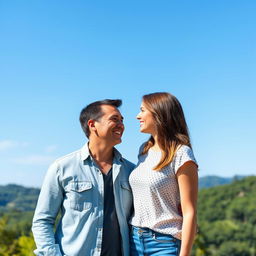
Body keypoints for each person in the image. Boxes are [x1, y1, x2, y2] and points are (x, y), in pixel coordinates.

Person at [32, 99, 135, 256]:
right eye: (114, 119)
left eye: (122, 120)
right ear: (92, 124)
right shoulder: (62, 167)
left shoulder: (131, 171)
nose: (121, 125)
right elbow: (42, 221)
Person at [129, 92, 198, 256]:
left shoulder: (181, 154)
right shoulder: (143, 150)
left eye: (142, 110)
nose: (137, 116)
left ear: (159, 114)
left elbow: (190, 212)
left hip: (164, 244)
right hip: (134, 240)